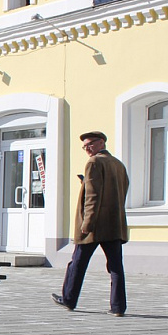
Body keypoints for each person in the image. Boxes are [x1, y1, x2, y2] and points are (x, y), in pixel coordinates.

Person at [52, 131, 129, 317]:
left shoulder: (94, 162)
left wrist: (87, 223)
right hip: (114, 224)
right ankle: (118, 307)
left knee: (77, 262)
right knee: (116, 266)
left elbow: (93, 196)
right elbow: (123, 189)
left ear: (101, 142)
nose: (87, 148)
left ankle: (69, 298)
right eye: (85, 146)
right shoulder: (118, 164)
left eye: (90, 144)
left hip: (94, 226)